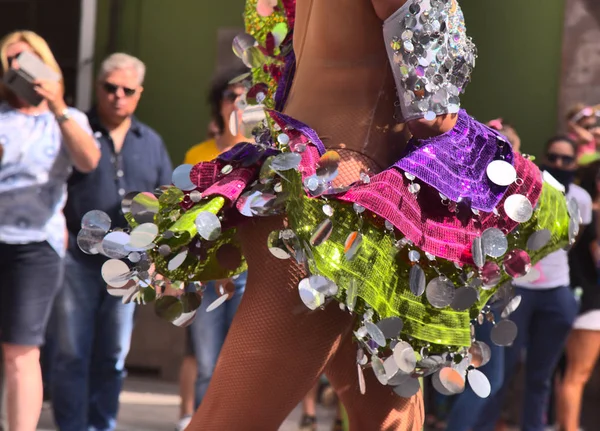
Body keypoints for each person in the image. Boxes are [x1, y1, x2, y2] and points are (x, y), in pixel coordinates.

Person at [81, 1, 573, 429]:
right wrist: (511, 173)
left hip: (315, 202)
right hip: (332, 225)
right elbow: (430, 114)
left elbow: (283, 75)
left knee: (392, 421)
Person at [49, 53, 172, 431]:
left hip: (131, 265)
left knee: (114, 355)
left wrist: (157, 258)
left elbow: (165, 203)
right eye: (110, 87)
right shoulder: (78, 131)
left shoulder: (150, 141)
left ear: (139, 94)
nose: (118, 95)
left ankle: (101, 426)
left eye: (127, 90)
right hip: (78, 261)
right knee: (71, 353)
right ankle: (71, 426)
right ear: (99, 88)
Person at [0, 30, 100, 431]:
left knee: (20, 352)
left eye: (25, 60)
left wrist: (56, 102)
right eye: (9, 62)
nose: (17, 69)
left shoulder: (68, 119)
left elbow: (89, 160)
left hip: (35, 247)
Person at [473, 136, 590, 431]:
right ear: (544, 157)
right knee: (503, 371)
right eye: (553, 157)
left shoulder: (581, 199)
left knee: (541, 376)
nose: (559, 163)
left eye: (566, 159)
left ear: (575, 163)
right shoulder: (530, 188)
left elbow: (570, 244)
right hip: (519, 291)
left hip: (557, 292)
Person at [175, 67, 249, 431]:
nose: (238, 101)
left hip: (250, 269)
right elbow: (181, 215)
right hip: (204, 269)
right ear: (217, 105)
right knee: (207, 363)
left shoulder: (265, 153)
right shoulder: (197, 153)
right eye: (230, 95)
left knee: (242, 364)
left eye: (246, 94)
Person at [559, 160, 600, 431]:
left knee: (572, 374)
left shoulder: (589, 213)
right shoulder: (596, 215)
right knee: (577, 375)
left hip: (583, 300)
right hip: (590, 304)